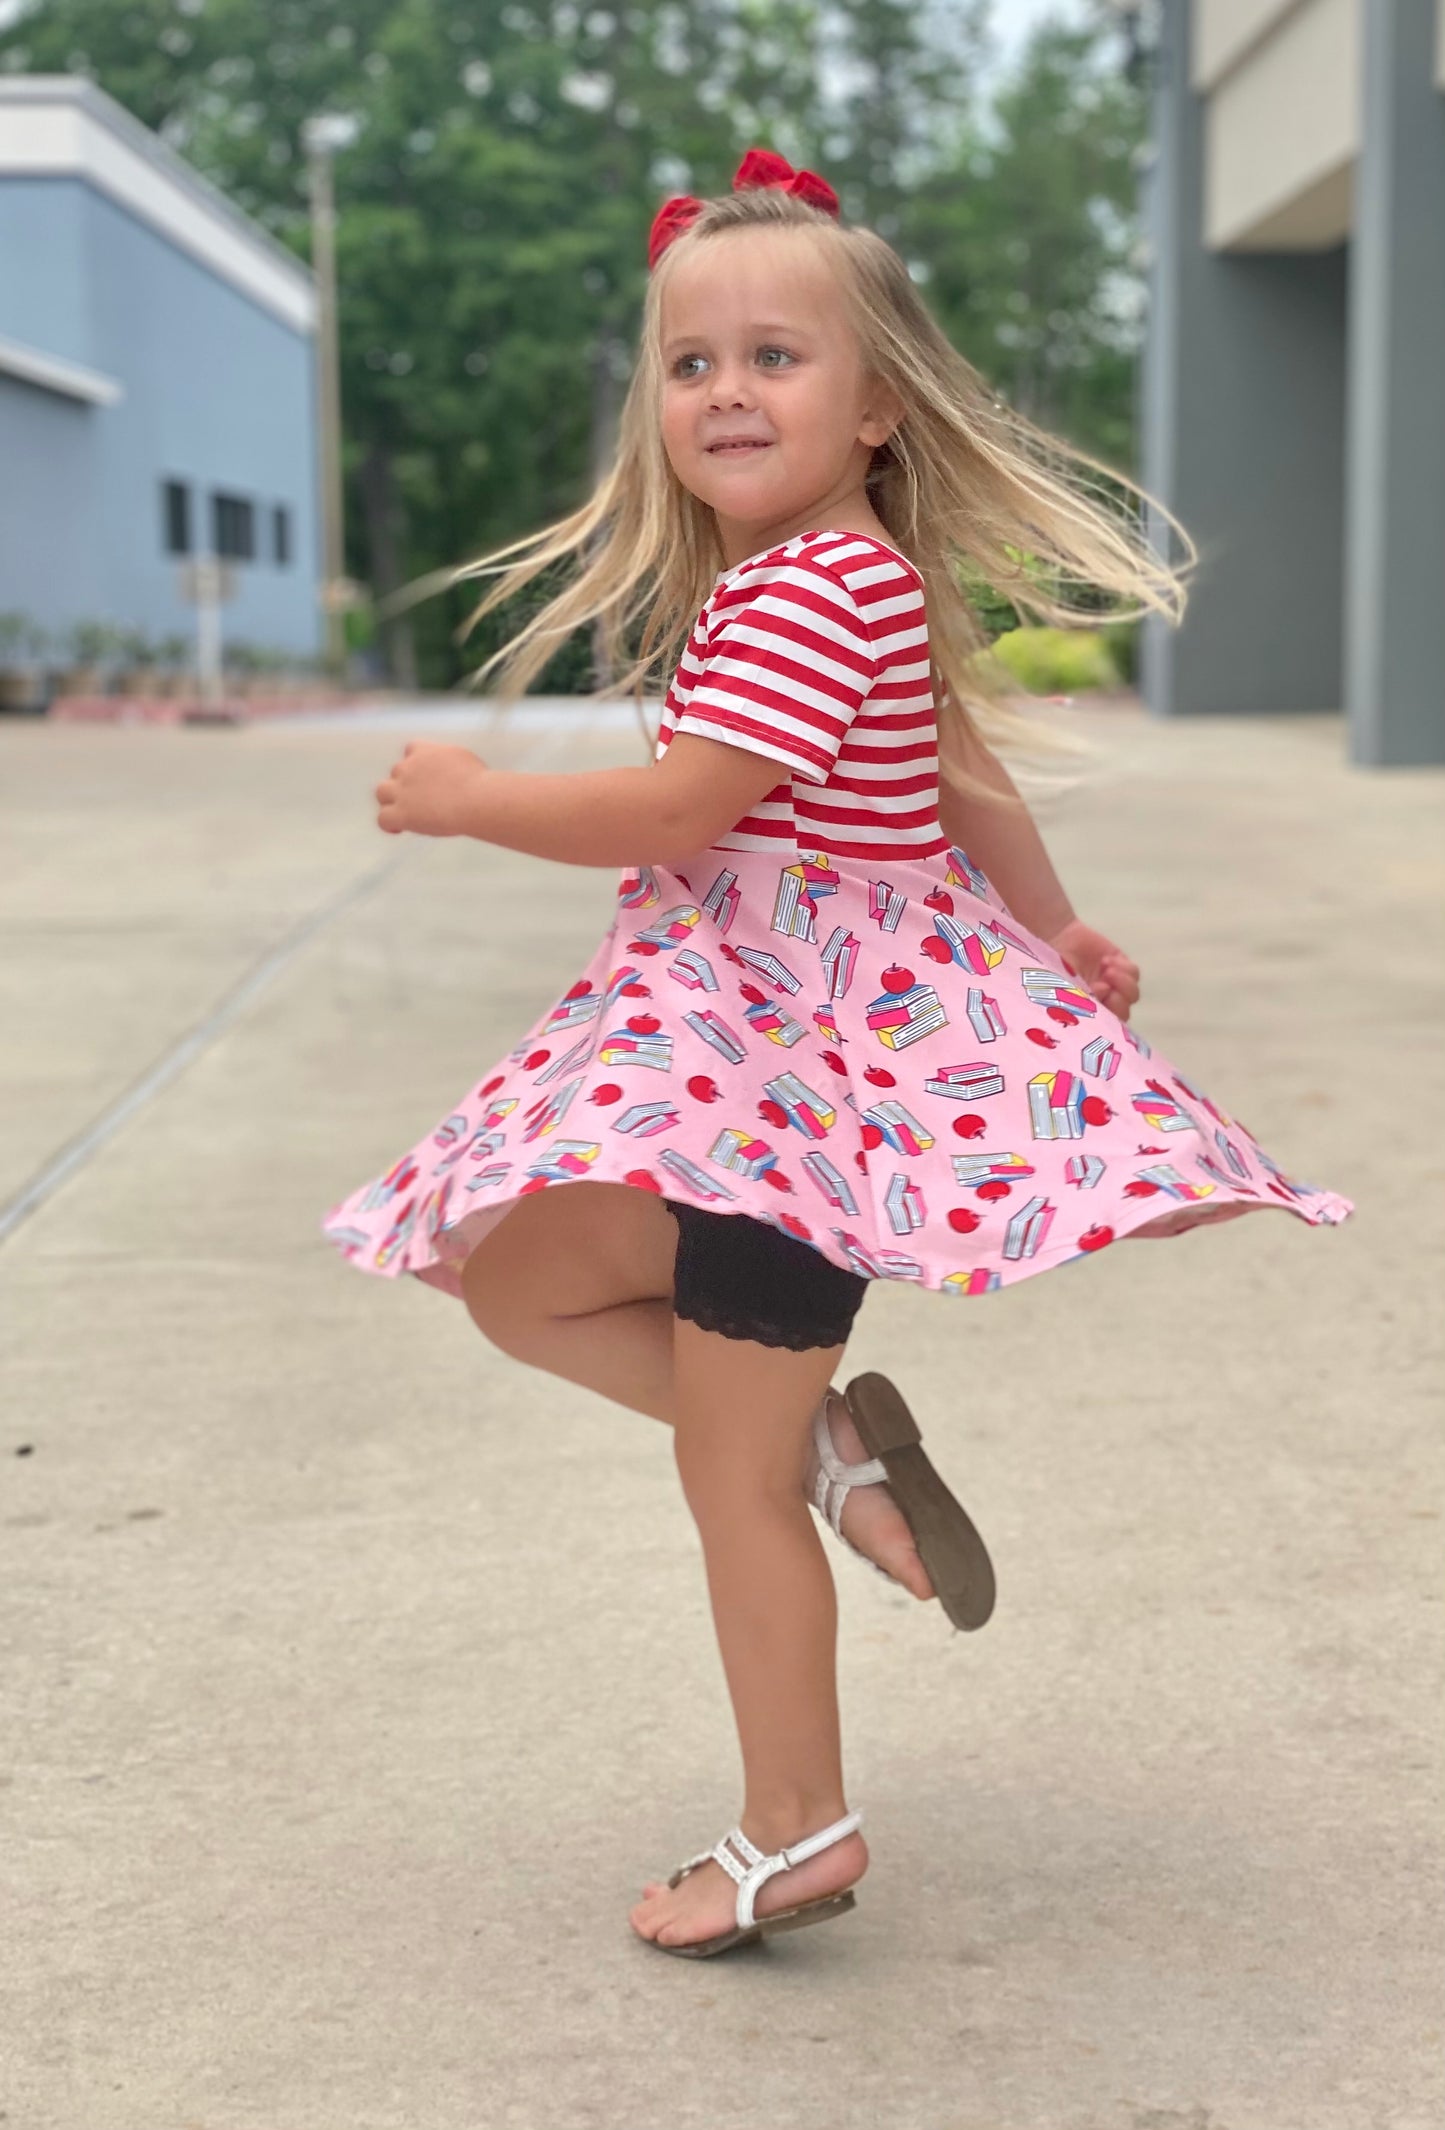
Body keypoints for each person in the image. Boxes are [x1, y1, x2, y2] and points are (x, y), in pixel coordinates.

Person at [321, 148, 1354, 1960]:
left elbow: (691, 798)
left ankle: (793, 1827)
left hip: (785, 1088)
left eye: (774, 357)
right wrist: (1046, 921)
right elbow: (954, 771)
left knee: (718, 1474)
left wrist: (481, 797)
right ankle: (835, 1455)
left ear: (876, 407)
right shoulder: (819, 579)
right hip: (746, 1071)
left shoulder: (811, 592)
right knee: (522, 1280)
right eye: (689, 361)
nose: (725, 390)